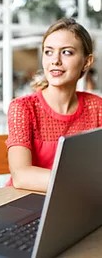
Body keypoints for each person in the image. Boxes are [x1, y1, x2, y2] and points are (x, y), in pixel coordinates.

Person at [6, 18, 102, 192]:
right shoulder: (22, 108)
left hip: (76, 203)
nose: (55, 60)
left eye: (67, 52)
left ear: (87, 62)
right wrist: (85, 183)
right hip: (26, 204)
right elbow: (21, 176)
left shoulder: (97, 107)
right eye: (48, 52)